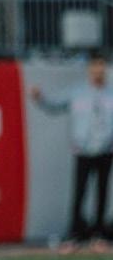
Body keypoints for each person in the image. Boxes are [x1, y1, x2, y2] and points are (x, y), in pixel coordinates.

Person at [30, 53, 113, 243]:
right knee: (80, 192)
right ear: (90, 70)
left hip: (106, 150)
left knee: (102, 192)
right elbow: (55, 104)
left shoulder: (110, 94)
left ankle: (99, 232)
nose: (98, 72)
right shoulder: (78, 93)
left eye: (101, 67)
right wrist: (40, 98)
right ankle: (77, 232)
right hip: (83, 150)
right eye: (95, 67)